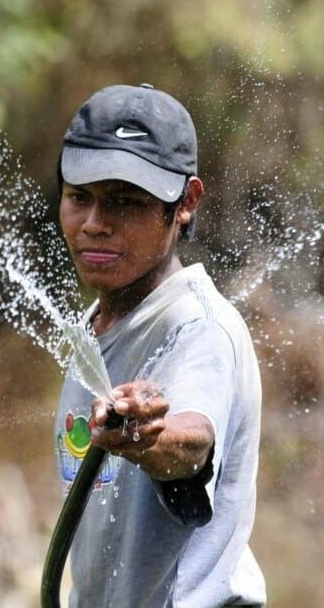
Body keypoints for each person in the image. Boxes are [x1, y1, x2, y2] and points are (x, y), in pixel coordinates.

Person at [54, 83, 266, 607]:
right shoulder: (97, 327)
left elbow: (191, 442)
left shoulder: (198, 328)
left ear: (186, 202)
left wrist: (148, 436)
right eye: (80, 196)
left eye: (126, 202)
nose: (95, 223)